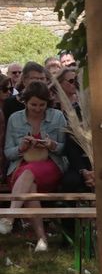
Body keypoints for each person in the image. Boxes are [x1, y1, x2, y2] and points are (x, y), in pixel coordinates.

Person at [0, 81, 68, 252]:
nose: (37, 109)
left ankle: (10, 216)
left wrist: (51, 144)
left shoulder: (57, 116)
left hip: (50, 165)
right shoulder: (15, 119)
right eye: (33, 105)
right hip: (19, 167)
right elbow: (8, 153)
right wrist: (21, 148)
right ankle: (42, 240)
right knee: (30, 187)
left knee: (30, 172)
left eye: (42, 105)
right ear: (25, 102)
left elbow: (64, 149)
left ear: (48, 103)